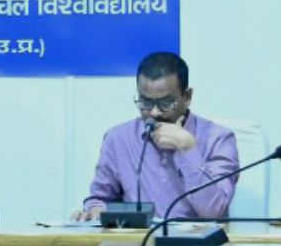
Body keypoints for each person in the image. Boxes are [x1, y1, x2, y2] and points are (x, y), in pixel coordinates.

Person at [73, 52, 239, 221]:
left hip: (197, 238)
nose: (154, 112)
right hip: (137, 237)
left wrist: (187, 148)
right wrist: (96, 210)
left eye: (166, 103)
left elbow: (214, 212)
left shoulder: (219, 139)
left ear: (187, 97)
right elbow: (100, 198)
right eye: (145, 102)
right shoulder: (118, 139)